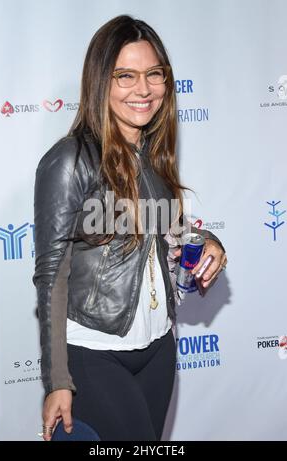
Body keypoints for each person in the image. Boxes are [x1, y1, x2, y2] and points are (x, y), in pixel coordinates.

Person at [33, 15, 227, 442]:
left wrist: (209, 241)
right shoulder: (69, 159)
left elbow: (174, 232)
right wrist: (57, 379)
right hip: (95, 352)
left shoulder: (154, 157)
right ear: (102, 82)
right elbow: (51, 275)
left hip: (158, 347)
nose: (144, 89)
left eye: (154, 74)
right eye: (126, 76)